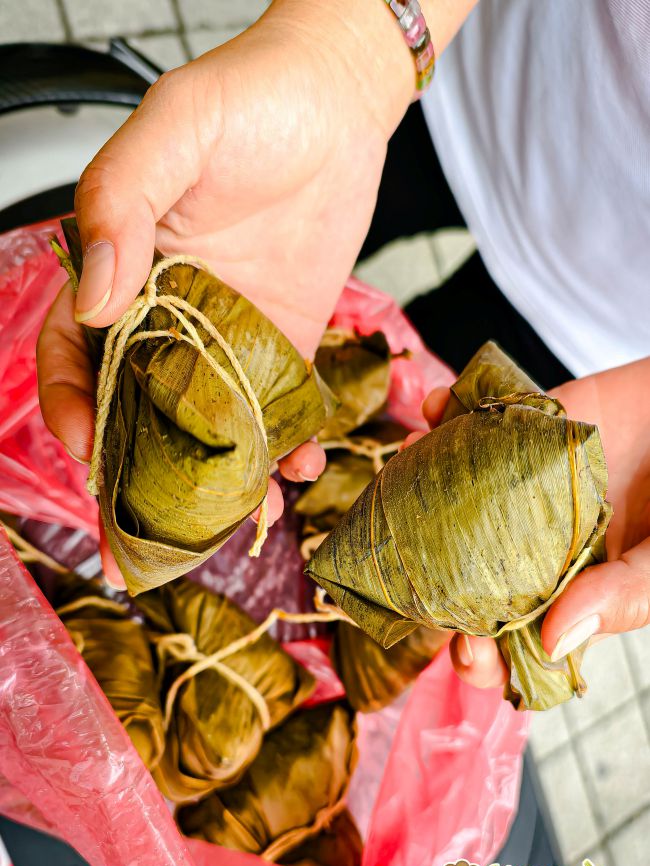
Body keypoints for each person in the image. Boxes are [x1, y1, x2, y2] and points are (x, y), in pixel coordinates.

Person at [36, 0, 650, 691]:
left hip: (605, 347)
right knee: (389, 367)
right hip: (461, 72)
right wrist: (350, 51)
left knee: (428, 402)